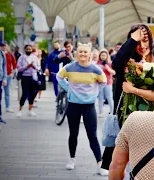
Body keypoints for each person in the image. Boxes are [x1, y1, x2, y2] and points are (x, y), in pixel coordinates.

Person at [101, 24, 154, 174]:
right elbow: (116, 64)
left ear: (151, 40)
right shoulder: (127, 63)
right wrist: (133, 38)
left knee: (144, 164)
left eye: (144, 40)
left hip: (151, 121)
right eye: (137, 41)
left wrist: (134, 90)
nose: (142, 46)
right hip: (125, 118)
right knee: (118, 164)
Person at [56, 43, 107, 173]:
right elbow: (59, 77)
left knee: (92, 136)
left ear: (89, 54)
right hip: (73, 106)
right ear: (76, 53)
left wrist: (94, 94)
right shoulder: (70, 67)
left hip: (89, 107)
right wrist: (69, 89)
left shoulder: (96, 69)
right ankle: (72, 159)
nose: (83, 54)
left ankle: (100, 163)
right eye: (80, 52)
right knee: (73, 134)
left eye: (85, 52)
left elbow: (103, 82)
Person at [16, 45, 40, 118]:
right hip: (25, 77)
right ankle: (19, 110)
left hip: (33, 77)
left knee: (32, 94)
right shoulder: (21, 58)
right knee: (24, 93)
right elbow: (19, 68)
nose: (28, 50)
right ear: (25, 49)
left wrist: (34, 67)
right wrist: (26, 66)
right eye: (27, 49)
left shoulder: (34, 58)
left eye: (30, 49)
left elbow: (39, 68)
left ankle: (30, 110)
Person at [97, 49, 115, 117]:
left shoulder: (109, 63)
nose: (103, 56)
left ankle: (112, 111)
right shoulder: (97, 63)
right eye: (102, 55)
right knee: (100, 97)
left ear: (107, 56)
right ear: (100, 56)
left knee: (109, 97)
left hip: (108, 82)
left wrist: (106, 66)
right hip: (99, 83)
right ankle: (101, 112)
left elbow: (113, 72)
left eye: (104, 55)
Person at [0, 42, 17, 113]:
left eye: (5, 46)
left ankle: (8, 106)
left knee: (7, 92)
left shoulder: (10, 54)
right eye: (2, 46)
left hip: (8, 75)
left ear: (7, 47)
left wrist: (12, 73)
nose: (4, 47)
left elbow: (14, 64)